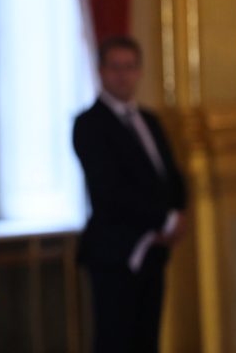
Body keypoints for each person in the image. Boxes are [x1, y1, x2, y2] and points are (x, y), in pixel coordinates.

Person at [73, 36, 188, 353]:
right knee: (115, 340)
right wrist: (163, 220)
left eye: (130, 67)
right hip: (114, 254)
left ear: (139, 71)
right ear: (101, 71)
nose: (123, 75)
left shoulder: (150, 120)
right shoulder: (88, 124)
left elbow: (171, 176)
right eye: (115, 67)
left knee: (147, 339)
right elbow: (109, 190)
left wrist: (177, 215)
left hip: (154, 252)